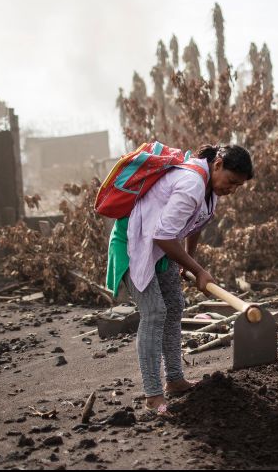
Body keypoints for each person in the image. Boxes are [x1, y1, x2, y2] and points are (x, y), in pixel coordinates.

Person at [105, 144, 254, 414]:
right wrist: (198, 270)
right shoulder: (191, 184)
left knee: (174, 307)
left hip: (162, 248)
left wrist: (187, 260)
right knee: (154, 313)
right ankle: (152, 394)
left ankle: (175, 380)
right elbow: (163, 234)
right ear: (218, 164)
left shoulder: (211, 188)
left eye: (237, 187)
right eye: (231, 182)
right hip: (133, 243)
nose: (231, 189)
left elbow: (198, 221)